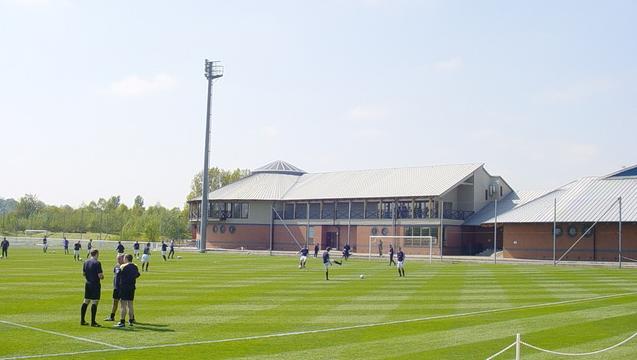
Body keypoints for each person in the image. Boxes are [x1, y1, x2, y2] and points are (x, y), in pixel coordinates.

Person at [116, 254, 140, 328]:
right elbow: (138, 275)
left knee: (123, 305)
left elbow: (118, 275)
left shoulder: (123, 266)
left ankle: (122, 321)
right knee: (130, 305)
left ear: (126, 259)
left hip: (124, 287)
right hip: (132, 287)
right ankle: (131, 320)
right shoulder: (135, 266)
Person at [81, 249, 104, 327]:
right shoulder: (97, 263)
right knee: (94, 302)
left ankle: (82, 320)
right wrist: (102, 277)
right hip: (95, 284)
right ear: (96, 254)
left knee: (86, 301)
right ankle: (93, 322)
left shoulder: (85, 262)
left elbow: (83, 274)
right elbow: (100, 275)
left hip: (88, 283)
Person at [104, 254, 125, 322]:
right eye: (117, 259)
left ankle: (131, 318)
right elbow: (115, 275)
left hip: (122, 288)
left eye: (119, 259)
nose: (118, 260)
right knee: (115, 302)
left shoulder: (125, 266)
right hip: (116, 288)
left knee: (125, 303)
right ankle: (112, 316)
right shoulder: (116, 266)